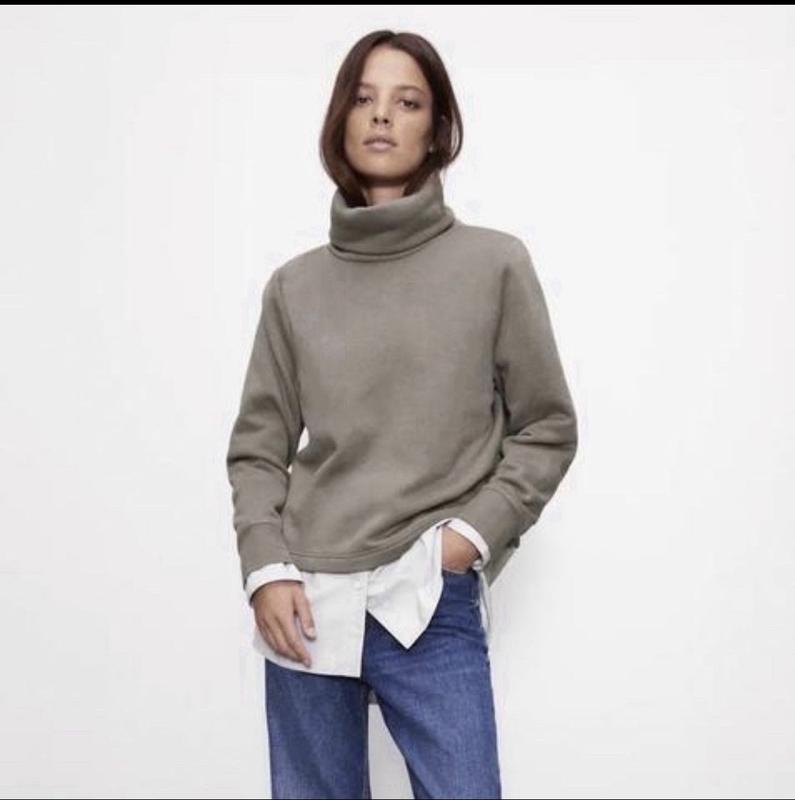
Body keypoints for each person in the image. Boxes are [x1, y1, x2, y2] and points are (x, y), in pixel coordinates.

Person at [225, 29, 578, 800]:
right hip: (305, 597)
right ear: (340, 120)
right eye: (364, 98)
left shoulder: (493, 264)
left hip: (427, 596)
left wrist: (463, 541)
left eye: (407, 101)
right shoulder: (294, 287)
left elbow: (546, 427)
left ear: (437, 129)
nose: (382, 115)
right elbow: (257, 449)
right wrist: (265, 569)